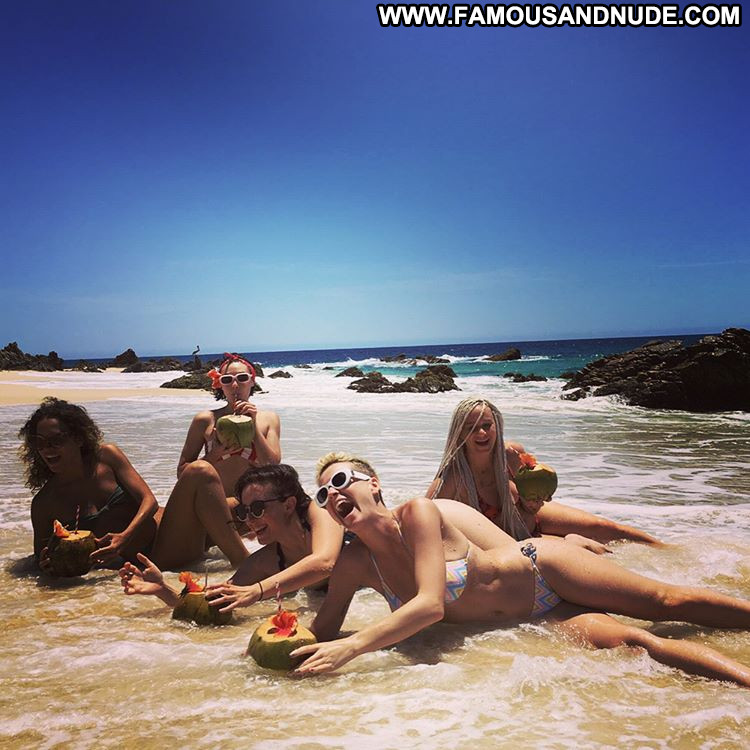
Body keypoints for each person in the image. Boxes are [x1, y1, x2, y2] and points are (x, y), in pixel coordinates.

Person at [291, 452, 750, 686]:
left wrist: (354, 646)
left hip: (544, 569)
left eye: (340, 481)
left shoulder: (417, 513)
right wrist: (273, 635)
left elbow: (430, 605)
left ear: (373, 484)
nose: (333, 495)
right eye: (323, 494)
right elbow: (322, 631)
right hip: (537, 613)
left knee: (667, 602)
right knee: (636, 643)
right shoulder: (354, 562)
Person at [427, 397, 661, 548]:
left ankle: (667, 550)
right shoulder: (453, 479)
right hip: (515, 542)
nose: (481, 433)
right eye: (471, 427)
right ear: (459, 432)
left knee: (605, 528)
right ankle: (572, 541)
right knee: (585, 549)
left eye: (487, 425)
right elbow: (421, 520)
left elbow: (538, 489)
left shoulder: (511, 454)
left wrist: (536, 498)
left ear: (497, 425)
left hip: (534, 519)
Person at [120, 464, 343, 610]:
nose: (250, 520)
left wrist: (257, 591)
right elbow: (214, 602)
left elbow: (325, 562)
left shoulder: (322, 511)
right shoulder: (262, 563)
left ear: (289, 504)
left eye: (257, 509)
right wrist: (163, 589)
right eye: (244, 511)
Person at [19, 398, 158, 568]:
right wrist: (48, 566)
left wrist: (125, 537)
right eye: (39, 442)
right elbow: (40, 559)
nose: (47, 448)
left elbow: (150, 501)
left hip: (162, 540)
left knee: (190, 474)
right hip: (132, 567)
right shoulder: (44, 503)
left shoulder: (106, 457)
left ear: (79, 439)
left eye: (57, 440)